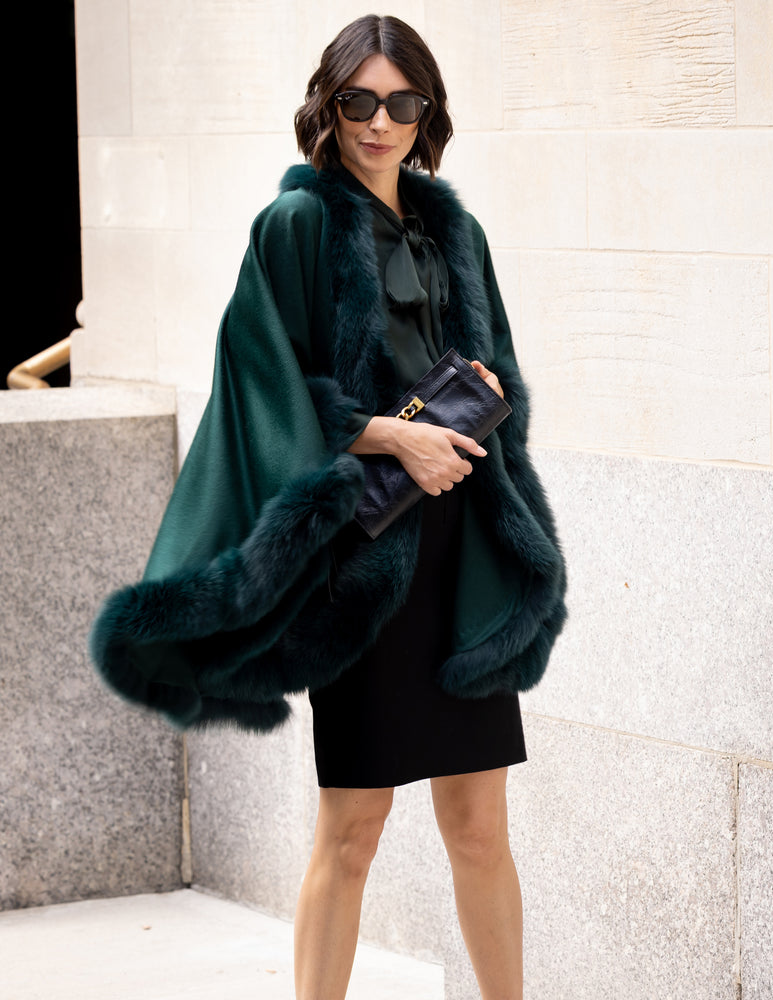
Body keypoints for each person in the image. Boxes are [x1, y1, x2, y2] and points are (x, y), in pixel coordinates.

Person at [91, 14, 567, 999]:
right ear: (329, 105)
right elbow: (261, 387)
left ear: (426, 113)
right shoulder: (296, 227)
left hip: (461, 560)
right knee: (352, 828)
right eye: (359, 101)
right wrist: (394, 436)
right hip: (367, 559)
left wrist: (485, 393)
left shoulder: (457, 232)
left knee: (479, 826)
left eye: (401, 103)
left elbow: (500, 376)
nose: (379, 123)